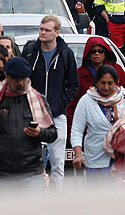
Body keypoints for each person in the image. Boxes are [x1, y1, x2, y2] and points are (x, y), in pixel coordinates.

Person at [0, 57, 57, 189]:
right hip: (2, 174)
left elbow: (52, 134)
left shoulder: (38, 100)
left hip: (31, 173)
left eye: (24, 79)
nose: (20, 83)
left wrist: (40, 132)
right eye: (16, 79)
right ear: (7, 76)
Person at [20, 15, 79, 191]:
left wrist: (59, 104)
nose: (42, 33)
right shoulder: (31, 50)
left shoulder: (66, 53)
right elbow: (22, 79)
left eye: (47, 30)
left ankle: (57, 198)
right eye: (41, 29)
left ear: (57, 32)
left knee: (57, 161)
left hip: (57, 115)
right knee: (33, 161)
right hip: (32, 114)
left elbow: (73, 84)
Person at [71, 64, 125, 182]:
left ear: (116, 82)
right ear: (96, 82)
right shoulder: (86, 101)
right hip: (97, 159)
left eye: (110, 83)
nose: (106, 87)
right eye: (102, 83)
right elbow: (77, 130)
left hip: (122, 156)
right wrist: (78, 155)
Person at [68, 34, 125, 127]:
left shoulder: (117, 69)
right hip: (89, 126)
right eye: (93, 51)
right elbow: (73, 103)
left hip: (116, 124)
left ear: (105, 53)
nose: (97, 54)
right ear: (88, 54)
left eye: (100, 51)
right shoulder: (79, 73)